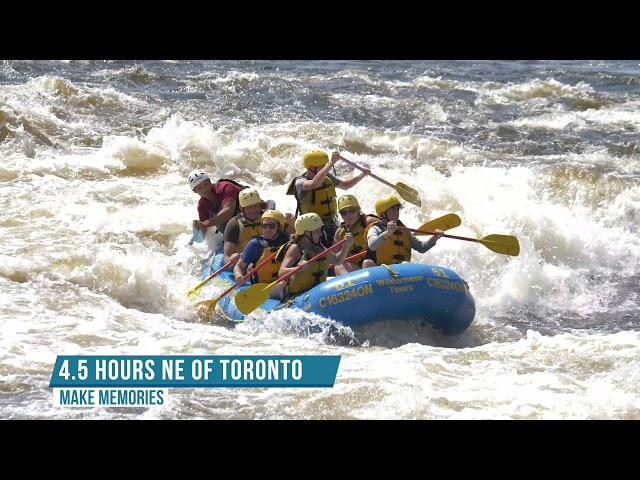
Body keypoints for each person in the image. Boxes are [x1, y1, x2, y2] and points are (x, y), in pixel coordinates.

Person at [285, 149, 369, 246]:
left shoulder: (326, 177)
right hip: (313, 228)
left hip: (331, 222)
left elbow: (346, 186)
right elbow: (313, 184)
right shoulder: (300, 182)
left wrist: (362, 175)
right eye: (323, 166)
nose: (326, 168)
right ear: (312, 167)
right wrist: (331, 163)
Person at [277, 213, 354, 297]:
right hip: (299, 295)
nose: (321, 234)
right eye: (317, 231)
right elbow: (281, 273)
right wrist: (298, 268)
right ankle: (279, 289)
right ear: (307, 232)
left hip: (318, 291)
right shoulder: (296, 248)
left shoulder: (318, 247)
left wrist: (346, 246)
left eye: (320, 230)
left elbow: (337, 260)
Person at [366, 195, 443, 265]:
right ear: (383, 214)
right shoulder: (375, 229)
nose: (396, 213)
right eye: (393, 210)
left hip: (400, 270)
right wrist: (387, 233)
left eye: (397, 209)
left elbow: (421, 248)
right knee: (367, 263)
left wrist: (434, 238)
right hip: (380, 271)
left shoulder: (404, 230)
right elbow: (372, 246)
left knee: (405, 264)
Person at [233, 209, 291, 300]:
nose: (267, 229)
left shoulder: (288, 241)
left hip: (283, 282)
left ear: (279, 227)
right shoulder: (255, 244)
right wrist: (238, 275)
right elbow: (239, 266)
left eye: (272, 226)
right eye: (264, 226)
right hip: (262, 287)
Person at [188, 170, 246, 237]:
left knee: (221, 223)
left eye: (206, 184)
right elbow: (204, 230)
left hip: (253, 212)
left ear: (210, 182)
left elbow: (228, 211)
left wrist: (205, 224)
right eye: (199, 188)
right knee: (220, 223)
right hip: (237, 223)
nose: (204, 189)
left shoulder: (225, 187)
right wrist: (198, 227)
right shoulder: (202, 206)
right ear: (195, 191)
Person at [333, 194, 378, 275]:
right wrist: (345, 246)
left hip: (375, 264)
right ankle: (355, 286)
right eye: (344, 213)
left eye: (352, 211)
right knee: (338, 267)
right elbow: (334, 257)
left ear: (358, 210)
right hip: (357, 268)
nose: (348, 215)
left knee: (367, 263)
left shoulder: (369, 221)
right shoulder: (340, 233)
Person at [222, 188, 265, 265]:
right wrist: (231, 260)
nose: (253, 210)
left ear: (260, 205)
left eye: (256, 205)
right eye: (249, 207)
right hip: (245, 263)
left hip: (266, 259)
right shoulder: (234, 224)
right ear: (241, 208)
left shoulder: (268, 218)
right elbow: (226, 257)